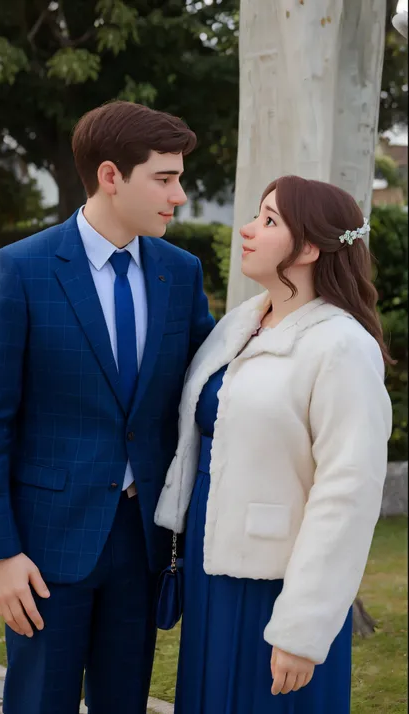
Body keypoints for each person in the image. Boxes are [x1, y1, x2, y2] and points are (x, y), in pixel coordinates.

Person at [0, 100, 215, 714]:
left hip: (141, 540)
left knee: (124, 702)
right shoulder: (20, 270)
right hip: (44, 547)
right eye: (165, 178)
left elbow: (208, 381)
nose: (178, 196)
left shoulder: (180, 273)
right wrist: (0, 553)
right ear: (110, 176)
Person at [155, 175, 393, 714]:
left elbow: (347, 494)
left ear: (308, 248)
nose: (246, 229)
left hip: (277, 582)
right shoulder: (240, 324)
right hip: (209, 564)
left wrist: (302, 626)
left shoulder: (342, 346)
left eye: (268, 221)